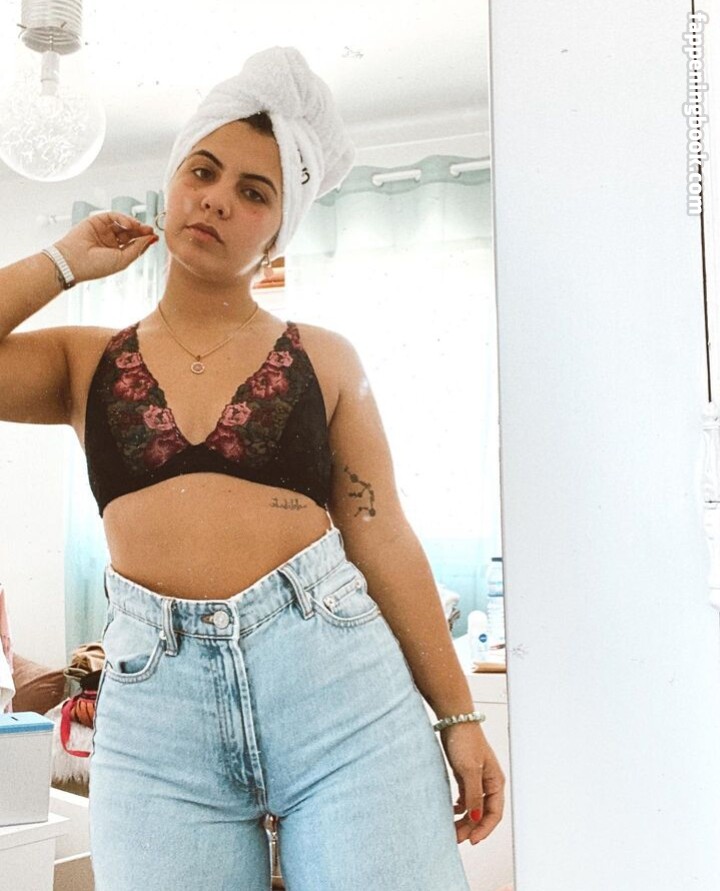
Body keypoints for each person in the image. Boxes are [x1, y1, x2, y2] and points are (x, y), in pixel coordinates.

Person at [0, 46, 505, 890]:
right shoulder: (83, 361)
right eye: (202, 171)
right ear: (172, 184)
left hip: (341, 697)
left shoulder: (325, 358)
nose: (217, 198)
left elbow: (382, 535)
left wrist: (459, 716)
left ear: (277, 233)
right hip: (156, 721)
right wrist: (64, 261)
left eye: (254, 192)